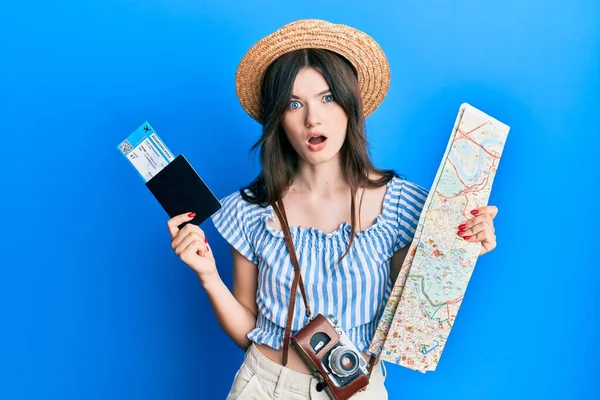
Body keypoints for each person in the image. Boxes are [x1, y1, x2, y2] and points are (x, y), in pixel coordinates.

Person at [166, 19, 499, 399]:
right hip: (266, 386)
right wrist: (208, 276)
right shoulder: (250, 211)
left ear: (349, 105)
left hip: (355, 391)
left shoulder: (402, 204)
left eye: (327, 98)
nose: (313, 118)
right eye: (294, 104)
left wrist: (462, 245)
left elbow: (417, 310)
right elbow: (248, 331)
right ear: (279, 120)